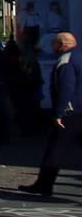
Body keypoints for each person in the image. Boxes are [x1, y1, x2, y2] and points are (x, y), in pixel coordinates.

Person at [21, 31, 81, 198]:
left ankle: (44, 184)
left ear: (61, 44)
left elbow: (66, 88)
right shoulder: (79, 56)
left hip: (71, 112)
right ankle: (43, 184)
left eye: (54, 44)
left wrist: (59, 112)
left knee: (56, 148)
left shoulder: (66, 61)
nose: (52, 47)